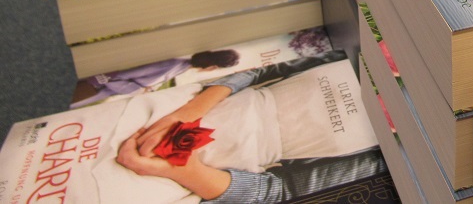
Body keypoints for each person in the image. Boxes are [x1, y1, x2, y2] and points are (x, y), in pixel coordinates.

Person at [115, 52, 386, 204]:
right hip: (177, 106)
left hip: (192, 175)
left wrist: (186, 171)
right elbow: (259, 72)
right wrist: (189, 112)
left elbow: (279, 191)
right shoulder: (363, 44)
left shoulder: (385, 157)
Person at [71, 49, 241, 108]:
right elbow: (117, 77)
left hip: (100, 92)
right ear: (212, 67)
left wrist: (147, 90)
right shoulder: (172, 64)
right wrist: (139, 90)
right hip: (92, 88)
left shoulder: (180, 68)